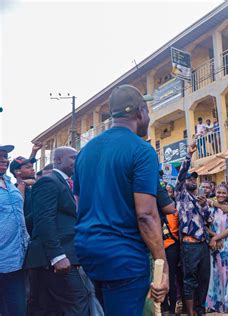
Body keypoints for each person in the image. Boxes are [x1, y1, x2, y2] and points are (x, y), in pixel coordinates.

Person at [74, 85, 172, 315]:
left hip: (89, 251)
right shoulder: (142, 150)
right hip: (122, 255)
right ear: (141, 112)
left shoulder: (86, 152)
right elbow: (146, 215)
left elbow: (79, 204)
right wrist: (163, 265)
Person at [23, 146, 91, 315]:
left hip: (59, 257)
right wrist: (57, 256)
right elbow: (44, 220)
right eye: (73, 158)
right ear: (58, 160)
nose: (77, 162)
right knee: (78, 300)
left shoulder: (68, 183)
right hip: (54, 259)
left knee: (48, 308)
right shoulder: (49, 181)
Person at [174, 142, 211, 316]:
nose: (191, 180)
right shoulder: (181, 195)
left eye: (193, 178)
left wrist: (204, 207)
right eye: (189, 178)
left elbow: (206, 220)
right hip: (189, 245)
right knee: (189, 280)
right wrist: (189, 155)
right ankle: (190, 313)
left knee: (204, 280)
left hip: (203, 244)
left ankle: (200, 310)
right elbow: (181, 175)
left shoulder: (198, 199)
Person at [0, 144, 30, 316]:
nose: (3, 159)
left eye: (5, 156)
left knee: (17, 309)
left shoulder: (10, 183)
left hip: (17, 260)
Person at [206, 185, 228, 313]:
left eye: (224, 193)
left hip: (226, 247)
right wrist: (215, 238)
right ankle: (212, 304)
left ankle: (226, 303)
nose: (221, 195)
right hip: (213, 246)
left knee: (226, 274)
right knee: (213, 274)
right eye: (219, 192)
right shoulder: (209, 207)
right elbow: (205, 226)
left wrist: (217, 238)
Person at [10, 155, 38, 235]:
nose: (33, 169)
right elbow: (18, 210)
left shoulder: (31, 188)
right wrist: (23, 183)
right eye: (28, 167)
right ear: (17, 171)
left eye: (32, 167)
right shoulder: (13, 190)